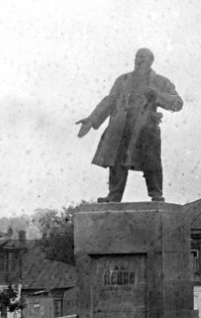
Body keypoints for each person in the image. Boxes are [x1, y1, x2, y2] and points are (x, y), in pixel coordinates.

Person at [76, 48, 183, 203]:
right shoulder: (123, 80)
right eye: (136, 57)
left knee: (151, 161)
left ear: (151, 61)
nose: (138, 60)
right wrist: (91, 120)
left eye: (142, 58)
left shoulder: (160, 81)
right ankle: (114, 195)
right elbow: (109, 101)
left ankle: (156, 194)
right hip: (121, 128)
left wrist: (157, 95)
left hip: (146, 127)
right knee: (116, 161)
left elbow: (178, 103)